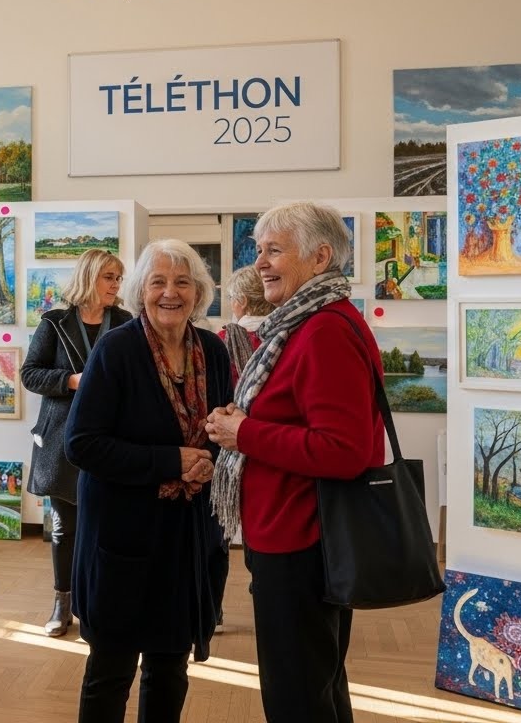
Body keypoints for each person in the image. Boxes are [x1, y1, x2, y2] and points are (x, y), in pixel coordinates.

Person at [205, 201, 385, 723]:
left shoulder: (323, 330)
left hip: (302, 538)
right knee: (317, 683)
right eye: (259, 250)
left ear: (321, 256)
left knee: (296, 694)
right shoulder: (307, 322)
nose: (260, 262)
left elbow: (344, 451)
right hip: (296, 533)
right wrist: (247, 421)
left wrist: (245, 432)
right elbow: (303, 421)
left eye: (274, 251)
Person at [63, 239, 233, 722]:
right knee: (111, 669)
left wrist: (209, 459)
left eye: (182, 282)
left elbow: (222, 425)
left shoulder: (214, 352)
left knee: (169, 666)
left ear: (198, 292)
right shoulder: (116, 351)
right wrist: (171, 461)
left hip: (185, 537)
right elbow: (82, 443)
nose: (170, 293)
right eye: (158, 281)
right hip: (122, 536)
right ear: (141, 291)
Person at [20, 248, 131, 638]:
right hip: (62, 438)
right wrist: (71, 381)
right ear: (89, 277)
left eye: (118, 277)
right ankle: (62, 602)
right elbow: (30, 375)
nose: (117, 285)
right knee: (65, 526)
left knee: (105, 525)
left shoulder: (125, 321)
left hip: (111, 437)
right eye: (109, 277)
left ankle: (96, 601)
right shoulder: (54, 322)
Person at [209, 263, 275, 634]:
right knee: (259, 528)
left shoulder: (222, 338)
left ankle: (214, 611)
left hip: (228, 444)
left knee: (218, 530)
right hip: (268, 443)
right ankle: (264, 591)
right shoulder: (281, 337)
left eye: (233, 298)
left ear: (243, 302)